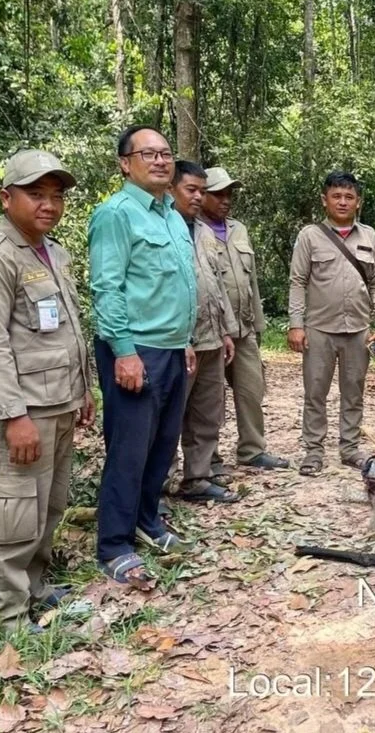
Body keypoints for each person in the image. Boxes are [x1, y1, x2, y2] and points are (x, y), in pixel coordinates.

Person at [0, 149, 94, 632]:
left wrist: (84, 391)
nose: (49, 205)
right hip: (25, 412)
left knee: (49, 508)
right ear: (7, 196)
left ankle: (32, 588)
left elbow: (66, 330)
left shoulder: (52, 252)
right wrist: (14, 417)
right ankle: (4, 620)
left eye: (56, 196)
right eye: (36, 194)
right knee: (13, 515)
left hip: (58, 401)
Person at [89, 125, 197, 586]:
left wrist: (186, 338)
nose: (159, 161)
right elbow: (107, 287)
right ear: (124, 163)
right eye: (147, 153)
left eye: (165, 154)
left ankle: (147, 519)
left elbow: (175, 285)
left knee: (161, 445)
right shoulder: (116, 214)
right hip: (135, 349)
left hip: (172, 348)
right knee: (129, 449)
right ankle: (114, 543)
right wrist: (125, 352)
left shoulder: (172, 214)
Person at [288, 170, 375, 476]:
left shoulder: (370, 237)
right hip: (319, 328)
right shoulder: (310, 236)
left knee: (353, 391)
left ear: (358, 202)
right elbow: (297, 281)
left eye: (349, 197)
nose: (343, 202)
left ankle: (348, 449)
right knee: (315, 392)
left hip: (358, 330)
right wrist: (296, 324)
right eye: (336, 196)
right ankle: (314, 451)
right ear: (325, 200)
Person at [200, 167, 288, 470]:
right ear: (202, 195)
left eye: (229, 194)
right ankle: (207, 459)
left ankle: (252, 450)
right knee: (208, 400)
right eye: (218, 194)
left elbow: (252, 284)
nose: (225, 201)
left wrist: (258, 325)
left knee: (251, 391)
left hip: (244, 328)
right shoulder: (192, 230)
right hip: (210, 330)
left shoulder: (239, 229)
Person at [169, 161, 241, 502]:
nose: (198, 197)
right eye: (191, 190)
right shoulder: (162, 227)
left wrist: (226, 330)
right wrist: (180, 338)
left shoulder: (205, 232)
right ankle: (161, 484)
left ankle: (197, 477)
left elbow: (218, 284)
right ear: (171, 189)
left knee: (206, 413)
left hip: (212, 336)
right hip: (179, 341)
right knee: (170, 414)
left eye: (202, 191)